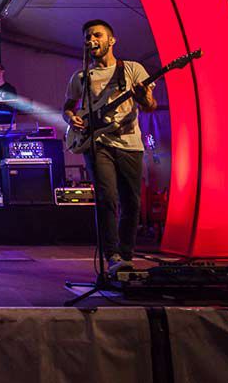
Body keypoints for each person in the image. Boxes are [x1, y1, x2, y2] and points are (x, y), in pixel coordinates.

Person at [63, 20, 156, 276]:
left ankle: (126, 255)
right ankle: (112, 255)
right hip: (98, 143)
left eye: (97, 35)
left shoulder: (132, 69)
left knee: (131, 202)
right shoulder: (81, 77)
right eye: (88, 36)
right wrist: (71, 118)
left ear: (111, 40)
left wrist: (143, 97)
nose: (91, 40)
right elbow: (68, 107)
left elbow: (150, 106)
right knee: (107, 198)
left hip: (130, 143)